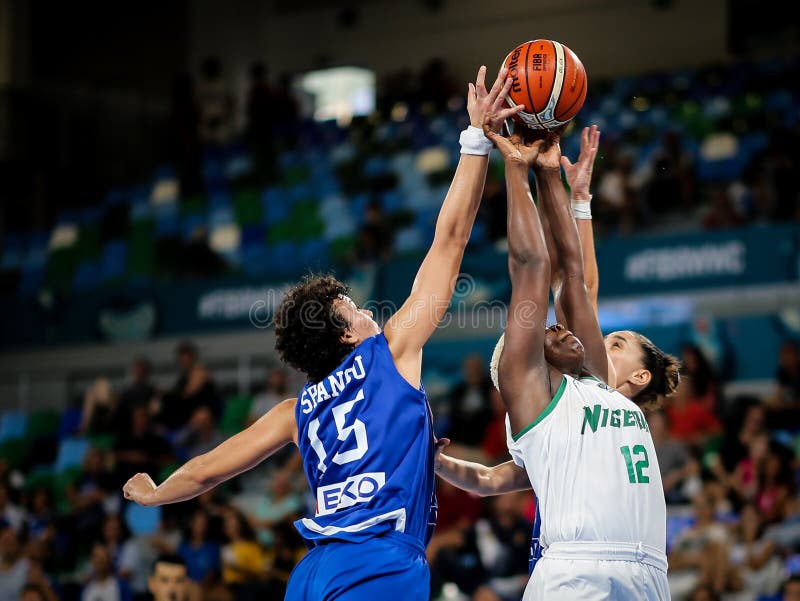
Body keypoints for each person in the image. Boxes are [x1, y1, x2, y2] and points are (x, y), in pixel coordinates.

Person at [122, 66, 523, 600]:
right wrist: (476, 140)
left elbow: (205, 473)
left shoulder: (295, 411)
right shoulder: (391, 351)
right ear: (345, 336)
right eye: (354, 308)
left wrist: (154, 494)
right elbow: (449, 242)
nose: (366, 312)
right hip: (380, 563)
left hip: (313, 573)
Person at [435, 120, 680, 599]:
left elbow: (576, 276)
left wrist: (557, 179)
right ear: (533, 359)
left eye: (613, 342)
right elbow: (534, 265)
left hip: (649, 571)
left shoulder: (597, 385)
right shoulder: (534, 395)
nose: (567, 328)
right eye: (550, 331)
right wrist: (518, 170)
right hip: (577, 569)